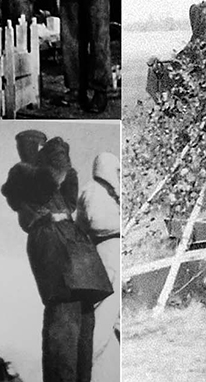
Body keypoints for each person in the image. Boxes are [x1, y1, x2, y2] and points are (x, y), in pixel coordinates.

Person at [2, 132, 109, 382]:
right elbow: (50, 180)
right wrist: (58, 152)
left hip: (72, 242)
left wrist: (61, 156)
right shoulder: (21, 172)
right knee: (62, 323)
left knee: (84, 324)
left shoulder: (47, 171)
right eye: (34, 147)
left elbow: (69, 196)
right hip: (51, 242)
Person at [83, 152, 121, 382]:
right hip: (105, 256)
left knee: (113, 318)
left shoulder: (109, 194)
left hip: (112, 255)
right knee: (103, 318)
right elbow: (96, 222)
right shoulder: (93, 191)